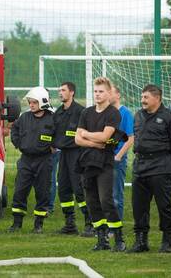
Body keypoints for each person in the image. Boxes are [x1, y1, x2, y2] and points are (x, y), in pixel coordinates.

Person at [128, 84, 171, 254]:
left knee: (164, 206)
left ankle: (168, 241)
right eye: (142, 97)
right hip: (140, 167)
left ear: (157, 98)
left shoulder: (169, 118)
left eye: (146, 97)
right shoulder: (138, 115)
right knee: (139, 207)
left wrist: (165, 160)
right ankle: (141, 241)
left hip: (160, 166)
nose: (142, 100)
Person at [75, 77, 126, 252]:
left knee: (106, 200)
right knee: (92, 202)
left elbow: (105, 137)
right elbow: (77, 138)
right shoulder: (86, 113)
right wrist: (94, 142)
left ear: (109, 93)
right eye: (95, 91)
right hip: (87, 163)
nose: (97, 94)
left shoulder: (113, 113)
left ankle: (119, 239)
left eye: (101, 91)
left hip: (105, 163)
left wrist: (86, 134)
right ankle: (102, 239)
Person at [8, 86, 54, 234]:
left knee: (42, 192)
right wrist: (18, 143)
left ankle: (38, 224)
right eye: (30, 102)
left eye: (34, 102)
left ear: (42, 102)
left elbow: (60, 134)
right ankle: (17, 223)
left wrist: (55, 145)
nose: (31, 105)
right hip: (26, 160)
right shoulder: (24, 117)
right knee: (20, 190)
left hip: (44, 160)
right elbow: (14, 130)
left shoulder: (53, 118)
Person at [53, 82, 94, 236]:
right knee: (63, 188)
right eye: (59, 90)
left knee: (79, 190)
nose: (60, 93)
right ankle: (70, 224)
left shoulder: (81, 112)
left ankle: (90, 223)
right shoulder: (58, 113)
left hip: (78, 154)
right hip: (63, 155)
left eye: (63, 90)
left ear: (72, 92)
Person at [109, 85, 134, 221]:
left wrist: (118, 156)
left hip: (117, 160)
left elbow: (131, 138)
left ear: (118, 95)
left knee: (116, 195)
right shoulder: (106, 112)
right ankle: (105, 225)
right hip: (104, 158)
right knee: (104, 194)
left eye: (110, 92)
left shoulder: (126, 113)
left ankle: (115, 226)